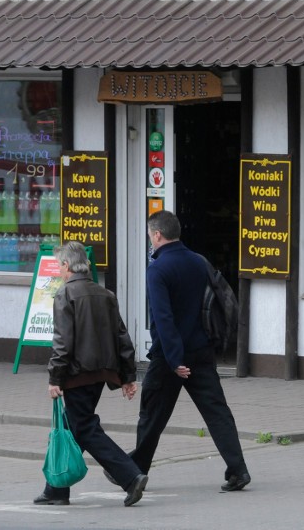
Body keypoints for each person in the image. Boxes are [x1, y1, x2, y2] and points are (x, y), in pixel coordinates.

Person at [107, 210, 250, 492]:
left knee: (152, 414)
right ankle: (238, 470)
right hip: (202, 351)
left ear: (157, 235)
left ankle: (135, 472)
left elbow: (163, 317)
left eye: (150, 236)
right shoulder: (198, 262)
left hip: (170, 356)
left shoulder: (158, 269)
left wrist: (174, 360)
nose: (150, 240)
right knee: (217, 412)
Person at [34, 241, 148, 507]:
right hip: (100, 375)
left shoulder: (66, 295)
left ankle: (130, 476)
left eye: (59, 266)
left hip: (77, 374)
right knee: (73, 427)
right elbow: (123, 337)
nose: (59, 272)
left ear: (66, 265)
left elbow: (63, 342)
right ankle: (56, 489)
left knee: (84, 429)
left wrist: (55, 378)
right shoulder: (104, 294)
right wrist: (127, 377)